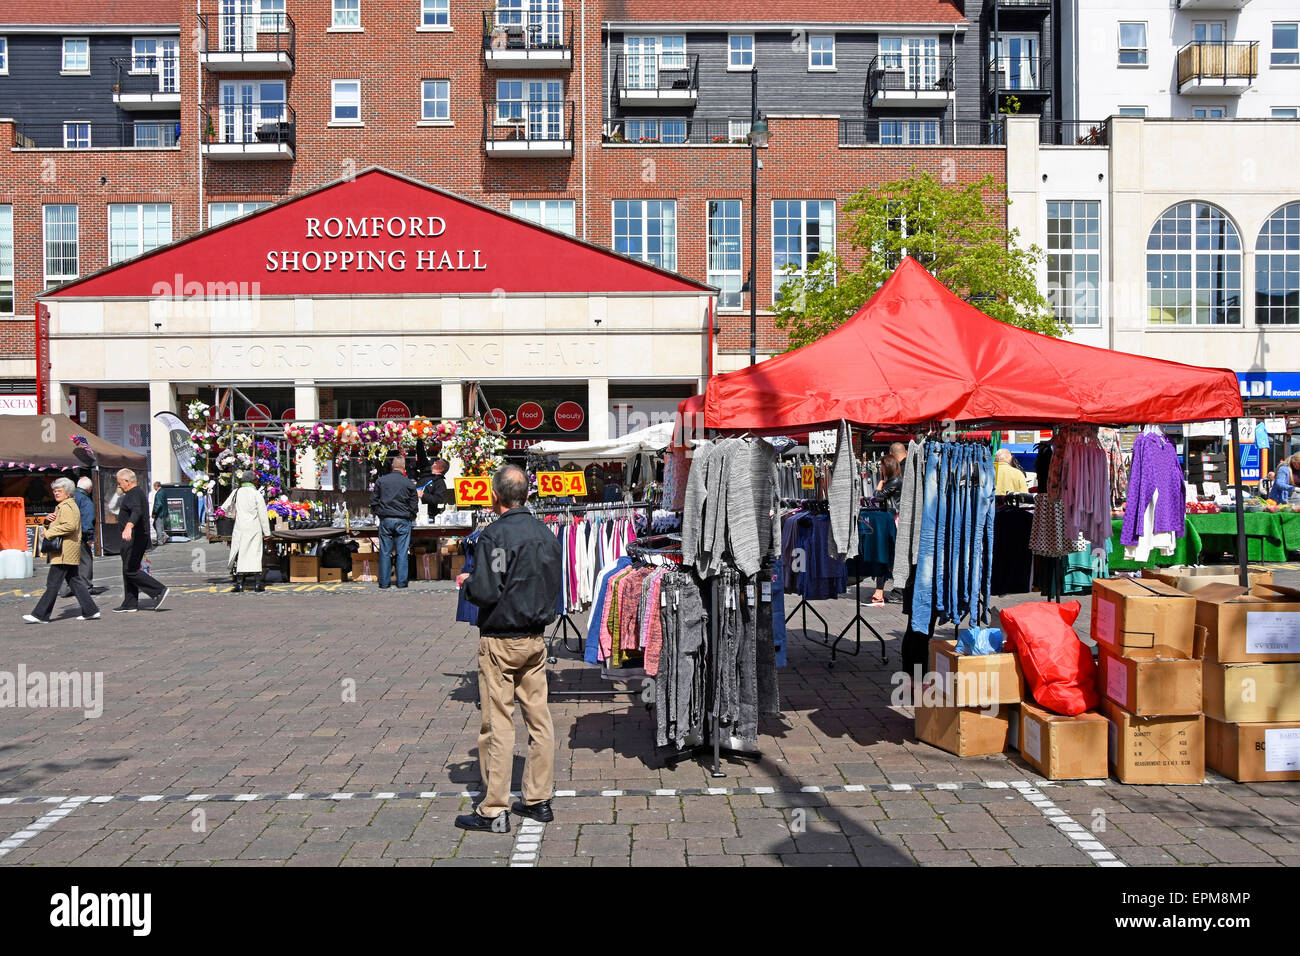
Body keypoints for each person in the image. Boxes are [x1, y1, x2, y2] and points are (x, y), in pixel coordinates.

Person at [454, 464, 562, 833]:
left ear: (495, 497)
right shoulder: (546, 534)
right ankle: (538, 799)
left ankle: (494, 808)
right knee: (539, 719)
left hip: (501, 638)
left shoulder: (495, 536)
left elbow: (490, 588)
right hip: (534, 638)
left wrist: (468, 582)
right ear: (527, 495)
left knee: (498, 722)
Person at [23, 477, 100, 623]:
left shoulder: (67, 506)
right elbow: (61, 524)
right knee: (75, 581)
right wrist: (47, 521)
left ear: (68, 492)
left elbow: (70, 526)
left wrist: (49, 533)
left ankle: (40, 615)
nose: (56, 493)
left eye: (59, 491)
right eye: (54, 491)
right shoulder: (63, 506)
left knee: (53, 583)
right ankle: (91, 610)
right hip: (65, 551)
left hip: (64, 551)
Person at [113, 468, 169, 612]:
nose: (119, 486)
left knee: (130, 570)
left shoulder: (134, 494)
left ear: (127, 481)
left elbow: (137, 511)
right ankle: (130, 603)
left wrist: (129, 526)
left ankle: (158, 590)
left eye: (119, 483)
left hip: (134, 538)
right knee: (128, 570)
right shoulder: (135, 493)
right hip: (133, 538)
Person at [371, 456, 418, 589]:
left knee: (385, 552)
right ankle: (401, 582)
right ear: (404, 467)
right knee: (402, 552)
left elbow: (374, 501)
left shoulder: (381, 481)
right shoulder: (409, 483)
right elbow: (414, 504)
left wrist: (380, 514)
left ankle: (384, 582)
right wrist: (410, 515)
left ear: (392, 466)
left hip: (386, 519)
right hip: (403, 519)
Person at [223, 470, 271, 593]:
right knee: (255, 555)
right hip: (254, 527)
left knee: (240, 555)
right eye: (256, 480)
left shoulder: (236, 492)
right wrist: (267, 533)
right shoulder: (256, 494)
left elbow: (224, 508)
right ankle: (257, 584)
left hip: (239, 527)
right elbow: (262, 515)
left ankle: (239, 584)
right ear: (253, 481)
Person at [868, 456, 903, 607]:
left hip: (892, 520)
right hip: (890, 519)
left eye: (882, 466)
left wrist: (879, 485)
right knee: (887, 554)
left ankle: (891, 591)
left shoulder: (894, 481)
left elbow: (877, 497)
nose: (880, 469)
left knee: (888, 554)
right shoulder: (893, 481)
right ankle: (881, 590)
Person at [59, 476, 97, 598]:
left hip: (66, 535)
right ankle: (86, 587)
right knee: (85, 561)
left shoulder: (68, 497)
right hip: (79, 535)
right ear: (89, 488)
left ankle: (65, 588)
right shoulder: (85, 500)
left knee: (68, 562)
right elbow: (88, 520)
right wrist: (89, 538)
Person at [416, 458, 450, 522]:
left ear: (442, 469)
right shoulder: (424, 477)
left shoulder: (440, 482)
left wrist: (423, 495)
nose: (435, 462)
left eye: (438, 462)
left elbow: (438, 500)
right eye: (436, 461)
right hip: (416, 514)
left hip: (429, 516)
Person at [149, 480, 169, 546]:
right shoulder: (163, 491)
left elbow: (158, 504)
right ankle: (164, 536)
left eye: (154, 486)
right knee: (156, 525)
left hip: (159, 513)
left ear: (156, 486)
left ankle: (160, 541)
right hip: (163, 512)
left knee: (158, 527)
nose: (153, 488)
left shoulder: (159, 493)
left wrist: (154, 513)